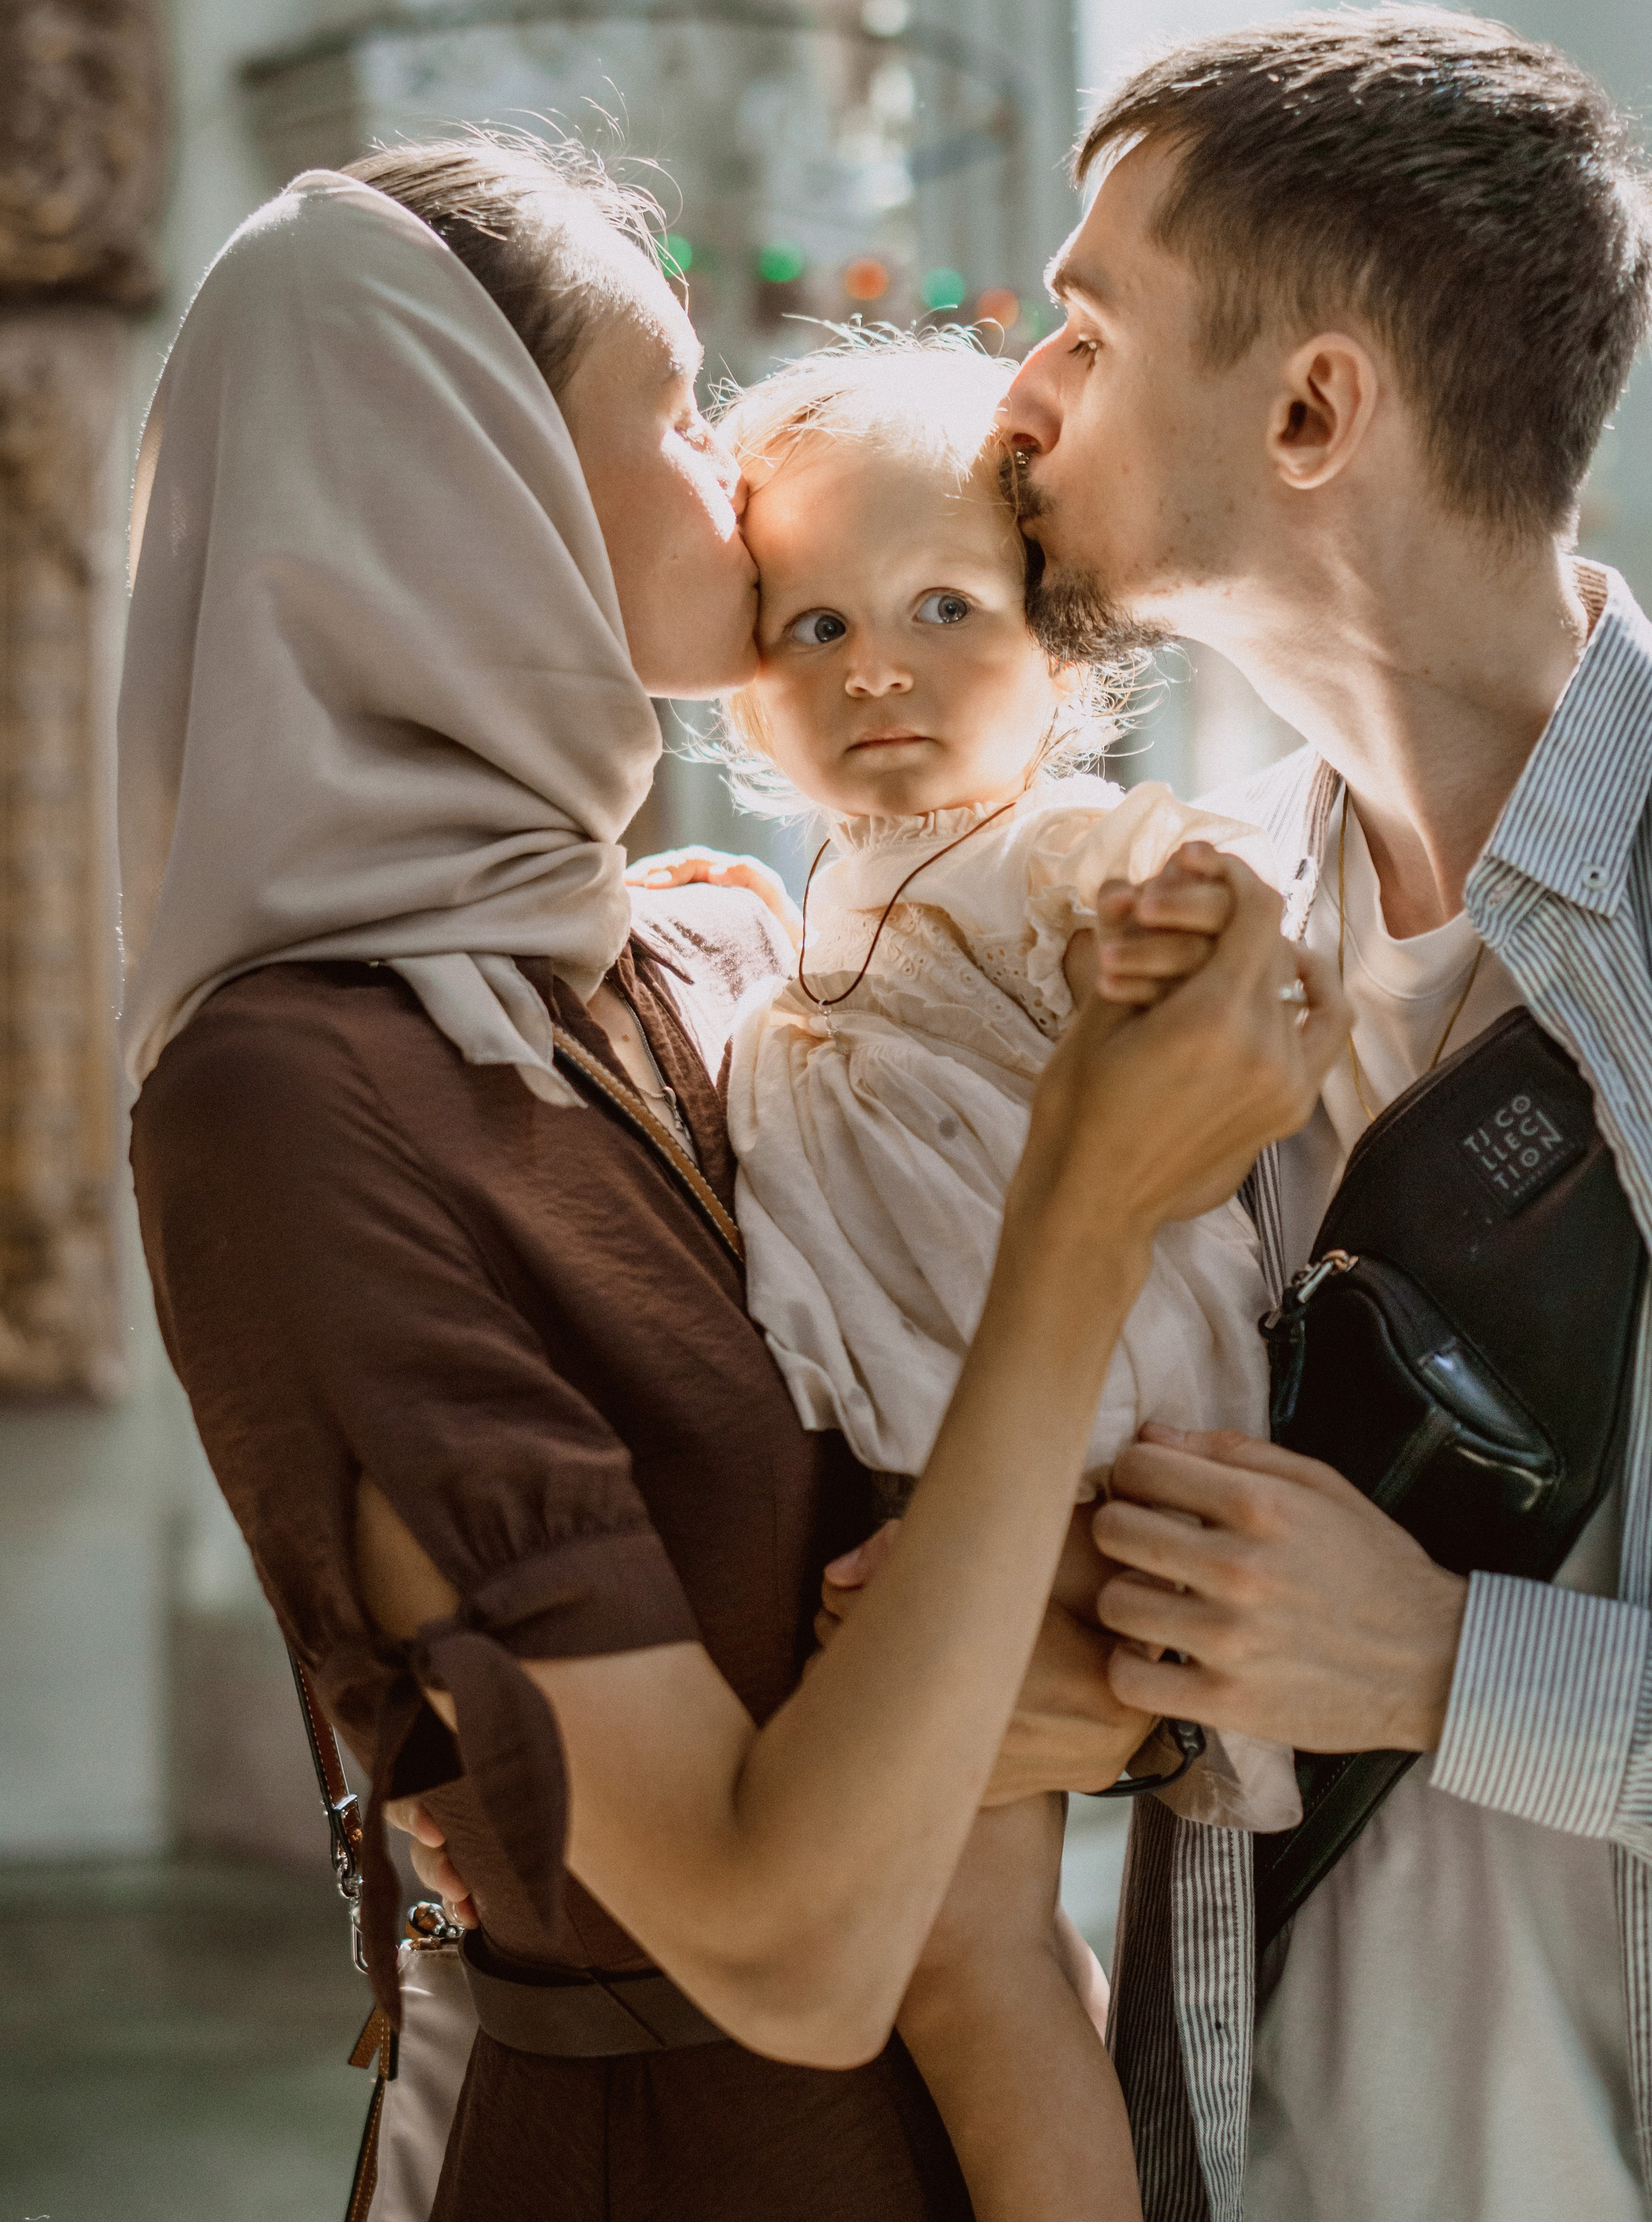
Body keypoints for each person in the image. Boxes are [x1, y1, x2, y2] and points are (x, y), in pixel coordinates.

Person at [119, 136, 1341, 2222]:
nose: (734, 476)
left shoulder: (703, 948)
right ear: (483, 479)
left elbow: (932, 1578)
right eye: (678, 411)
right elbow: (789, 1945)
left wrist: (1114, 1683)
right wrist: (1083, 1215)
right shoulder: (292, 1089)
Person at [996, 5, 1652, 2222]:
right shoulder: (1169, 932)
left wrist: (1439, 1664)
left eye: (1089, 330)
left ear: (1312, 411)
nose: (1018, 397)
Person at [695, 333, 1297, 2222]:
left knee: (970, 1961)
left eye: (944, 607)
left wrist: (1163, 929)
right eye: (812, 626)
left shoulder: (1040, 850)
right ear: (745, 695)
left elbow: (1162, 902)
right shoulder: (834, 885)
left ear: (1065, 653)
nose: (874, 666)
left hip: (1063, 1437)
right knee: (974, 1946)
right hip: (957, 1442)